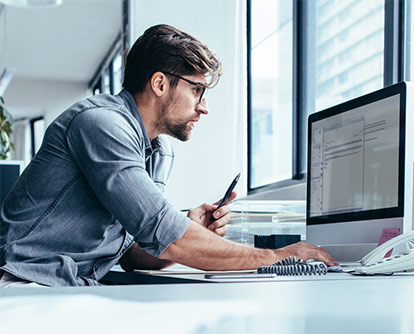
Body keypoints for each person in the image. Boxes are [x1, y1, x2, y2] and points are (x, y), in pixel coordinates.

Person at [0, 24, 334, 287]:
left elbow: (134, 254)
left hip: (72, 284)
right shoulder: (101, 124)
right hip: (24, 282)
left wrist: (189, 227)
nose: (203, 107)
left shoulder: (159, 149)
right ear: (160, 83)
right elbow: (165, 235)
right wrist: (277, 257)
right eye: (196, 90)